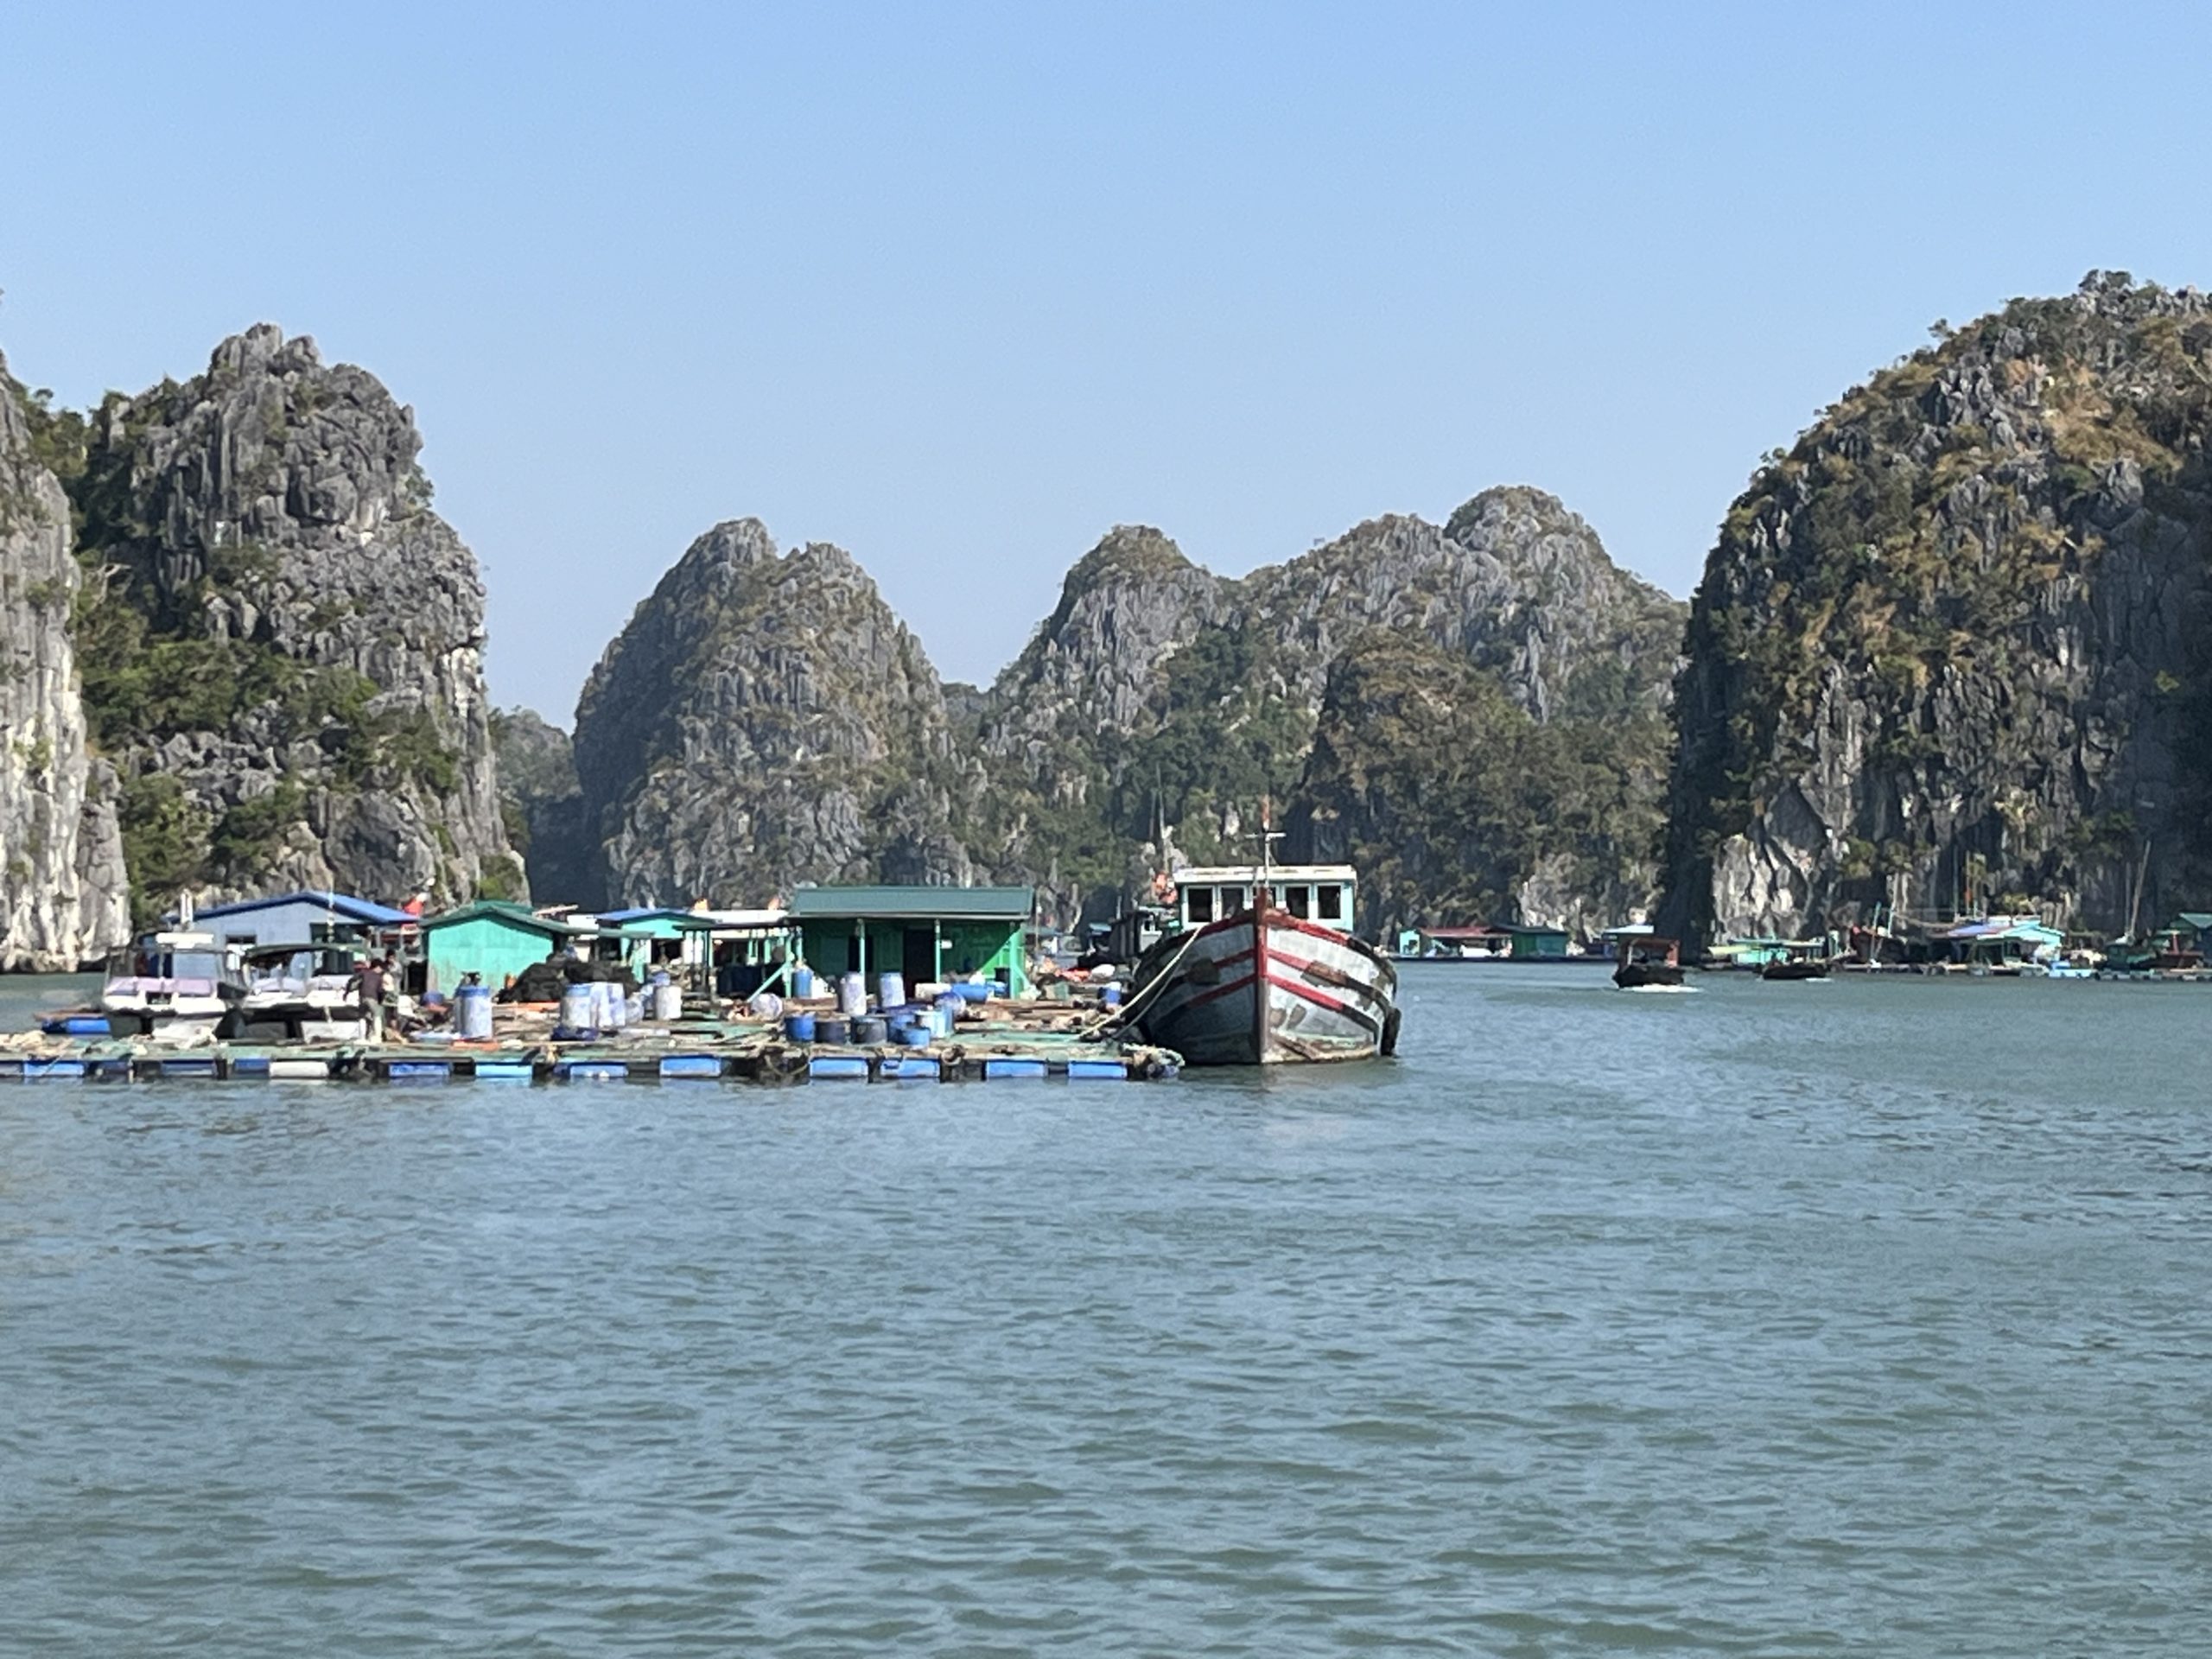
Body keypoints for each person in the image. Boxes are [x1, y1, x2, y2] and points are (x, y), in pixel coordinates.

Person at [350, 956, 388, 1041]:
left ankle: (362, 1038)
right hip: (372, 997)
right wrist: (381, 1000)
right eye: (381, 968)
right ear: (377, 967)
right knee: (377, 1015)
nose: (382, 971)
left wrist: (347, 991)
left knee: (362, 1017)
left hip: (362, 997)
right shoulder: (378, 977)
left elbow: (354, 980)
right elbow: (380, 991)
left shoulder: (364, 973)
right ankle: (377, 1037)